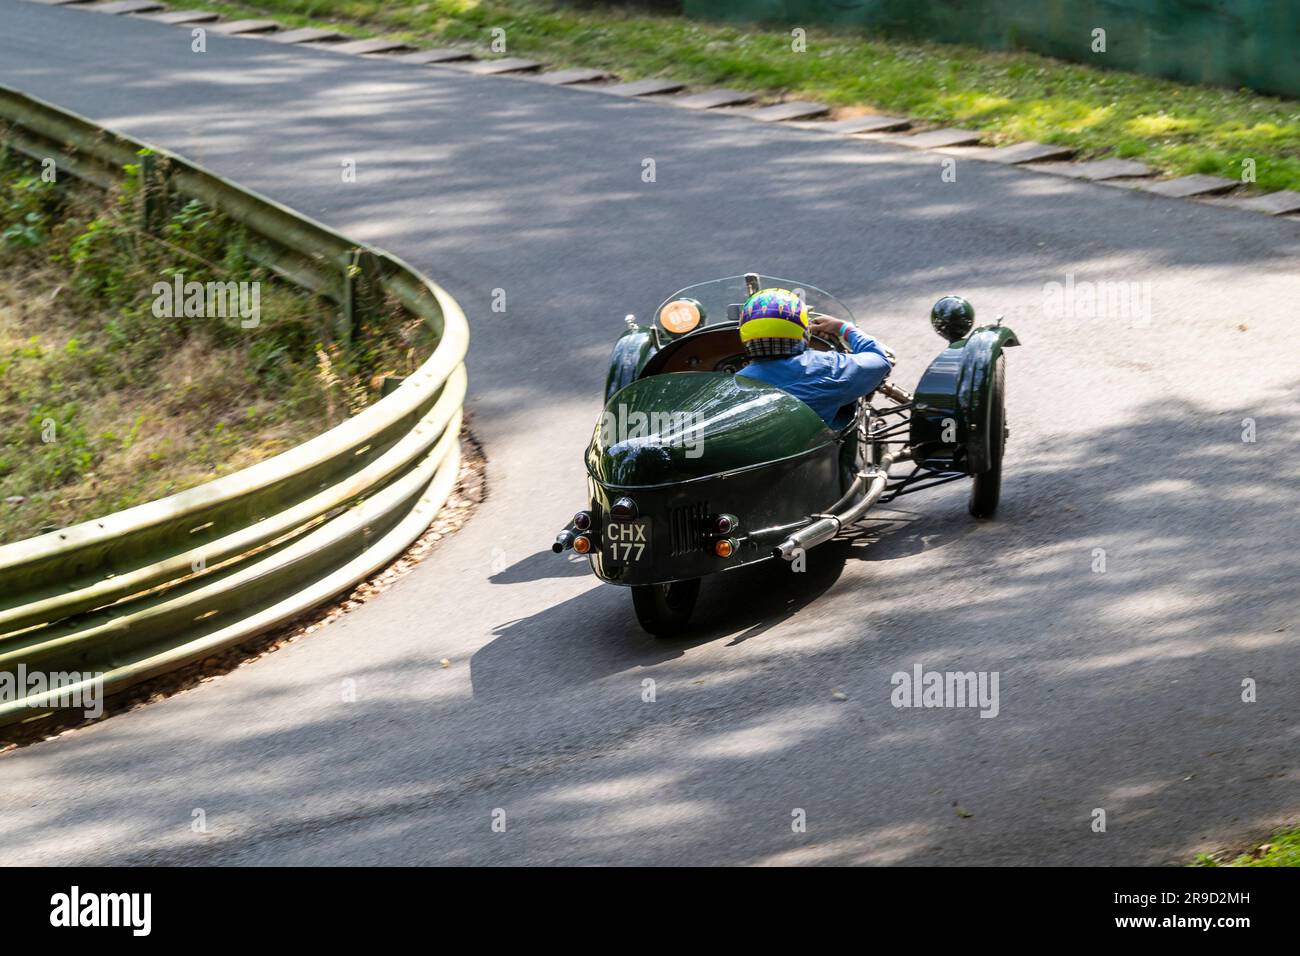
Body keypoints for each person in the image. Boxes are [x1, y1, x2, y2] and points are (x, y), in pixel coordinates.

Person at [734, 287, 892, 427]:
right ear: (804, 330)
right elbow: (880, 359)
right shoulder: (828, 367)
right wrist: (843, 328)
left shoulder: (734, 385)